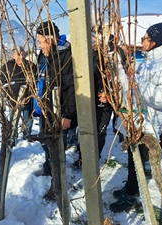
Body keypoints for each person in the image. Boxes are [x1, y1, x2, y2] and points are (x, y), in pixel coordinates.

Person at [109, 22, 162, 212]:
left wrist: (139, 87)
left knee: (138, 160)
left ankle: (132, 195)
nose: (142, 41)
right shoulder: (150, 60)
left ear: (156, 42)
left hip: (150, 122)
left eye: (146, 39)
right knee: (134, 159)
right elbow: (135, 85)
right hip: (139, 118)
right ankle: (130, 188)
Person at [35, 21, 77, 176]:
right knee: (47, 141)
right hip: (45, 106)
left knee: (57, 144)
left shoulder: (66, 55)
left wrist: (67, 115)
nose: (39, 46)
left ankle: (57, 176)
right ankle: (49, 168)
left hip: (59, 109)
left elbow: (71, 87)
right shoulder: (45, 54)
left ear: (50, 39)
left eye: (40, 42)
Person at [73, 31, 113, 168]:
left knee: (99, 132)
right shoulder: (84, 57)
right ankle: (82, 157)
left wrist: (108, 94)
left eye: (97, 40)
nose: (95, 43)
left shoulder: (110, 58)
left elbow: (117, 81)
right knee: (85, 130)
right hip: (88, 99)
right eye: (93, 40)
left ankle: (95, 157)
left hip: (104, 103)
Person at [0, 46, 33, 139]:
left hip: (27, 98)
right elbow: (2, 81)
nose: (21, 56)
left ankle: (28, 137)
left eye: (22, 54)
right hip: (13, 99)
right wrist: (7, 95)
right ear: (14, 55)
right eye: (19, 54)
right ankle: (13, 136)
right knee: (13, 119)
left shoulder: (30, 65)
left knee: (27, 118)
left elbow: (35, 79)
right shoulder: (8, 66)